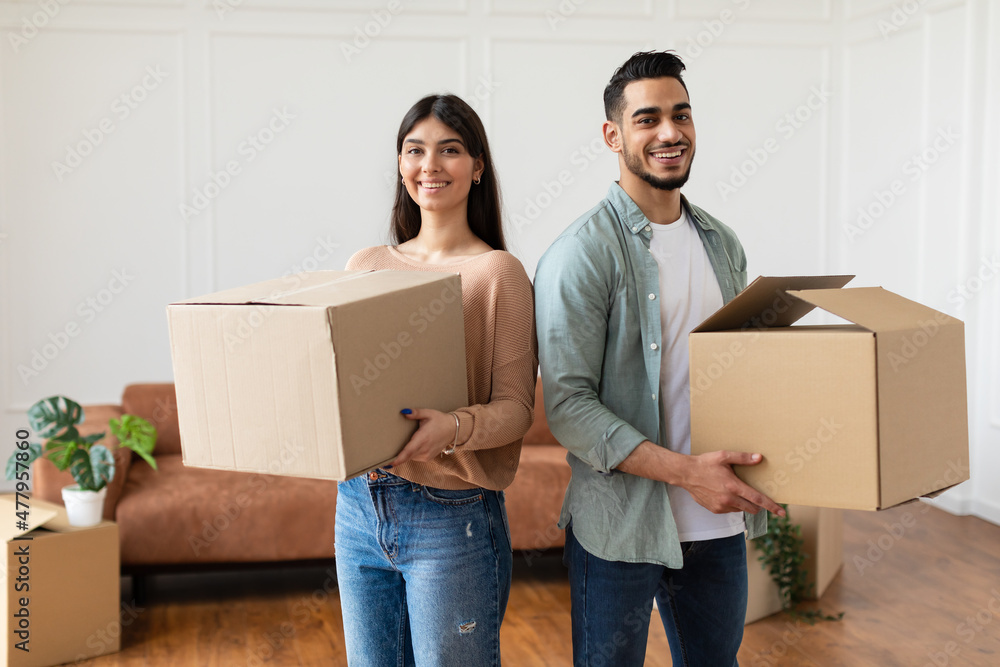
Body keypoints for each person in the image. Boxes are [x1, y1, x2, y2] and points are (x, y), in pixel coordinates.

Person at [533, 51, 786, 666]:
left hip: (717, 523)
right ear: (612, 135)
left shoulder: (723, 244)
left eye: (682, 115)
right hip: (620, 527)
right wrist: (688, 473)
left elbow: (738, 372)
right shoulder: (581, 254)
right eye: (648, 119)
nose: (670, 132)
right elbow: (568, 407)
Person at [335, 93, 537, 667]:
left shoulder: (498, 273)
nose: (430, 165)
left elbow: (518, 407)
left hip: (452, 516)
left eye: (449, 150)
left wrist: (451, 427)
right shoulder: (367, 265)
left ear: (476, 167)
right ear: (401, 164)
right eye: (415, 150)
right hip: (357, 505)